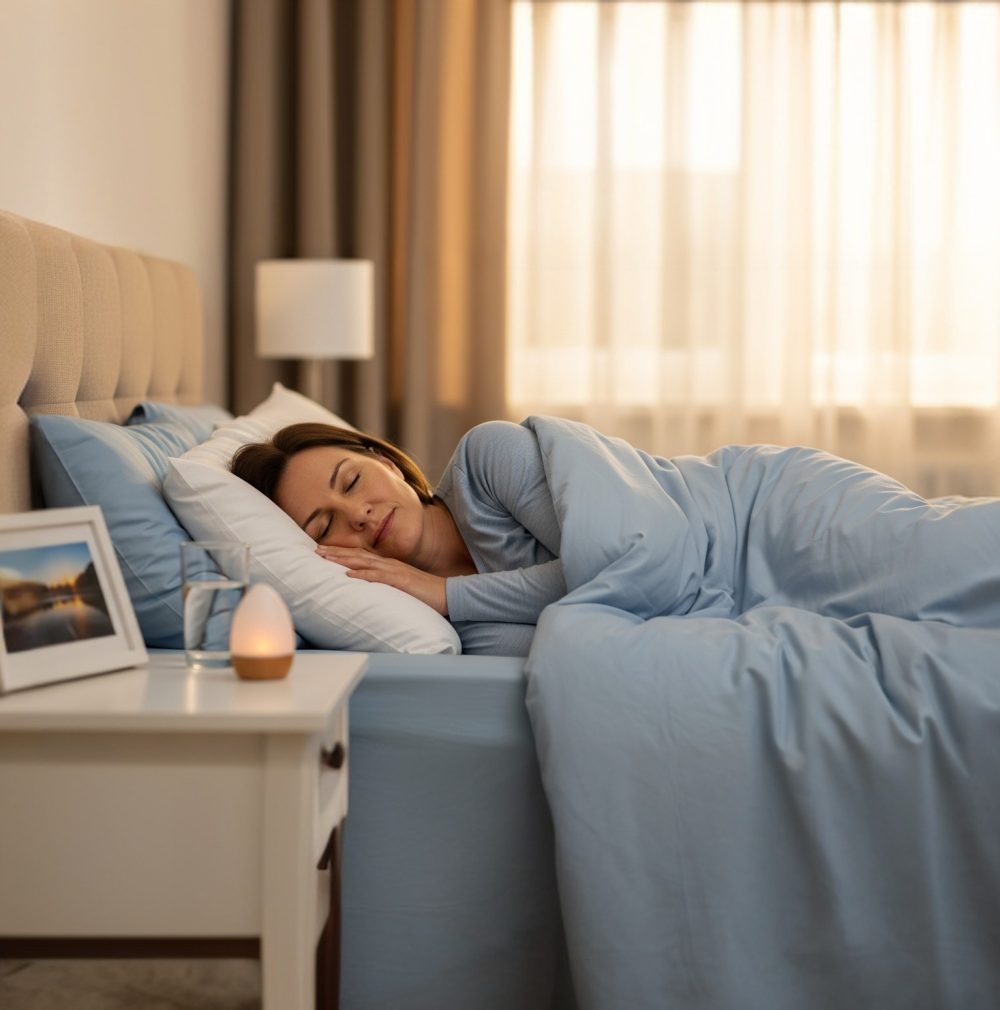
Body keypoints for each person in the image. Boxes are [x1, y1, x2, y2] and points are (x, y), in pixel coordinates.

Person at [229, 420, 566, 646]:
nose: (359, 514)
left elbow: (604, 566)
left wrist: (446, 593)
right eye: (325, 526)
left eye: (352, 481)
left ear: (387, 462)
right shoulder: (435, 631)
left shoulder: (487, 458)